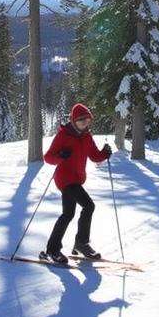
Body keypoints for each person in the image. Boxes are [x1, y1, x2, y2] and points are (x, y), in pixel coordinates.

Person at [40, 103, 113, 265]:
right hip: (65, 179)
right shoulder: (63, 135)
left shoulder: (87, 136)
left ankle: (53, 248)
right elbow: (48, 157)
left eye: (87, 120)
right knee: (89, 206)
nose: (85, 124)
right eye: (81, 121)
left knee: (68, 214)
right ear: (74, 120)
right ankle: (81, 243)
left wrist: (104, 153)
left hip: (77, 179)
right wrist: (61, 155)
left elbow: (94, 156)